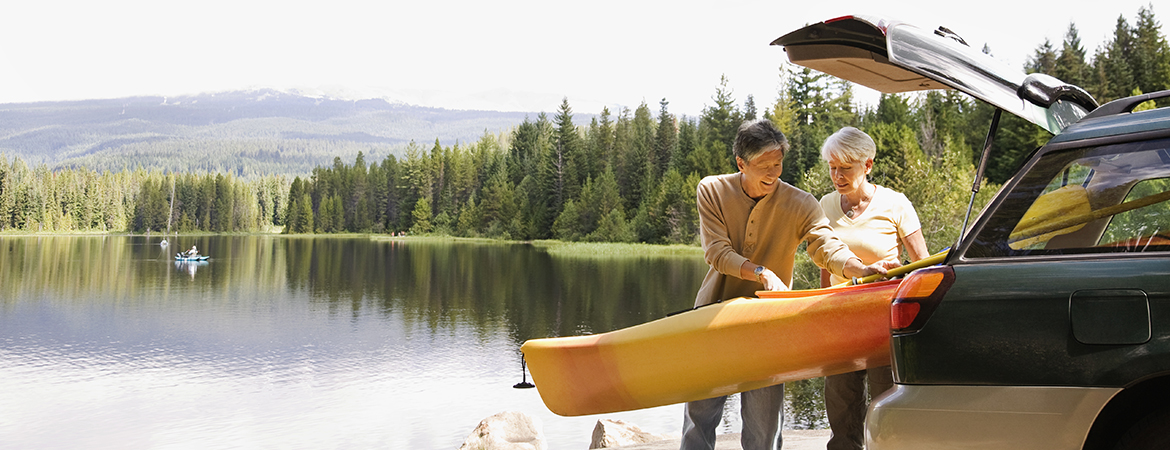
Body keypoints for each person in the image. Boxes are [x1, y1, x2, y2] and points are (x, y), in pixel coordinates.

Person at [683, 119, 898, 450]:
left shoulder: (800, 203)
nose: (773, 172)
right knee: (700, 420)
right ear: (741, 163)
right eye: (763, 165)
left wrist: (860, 267)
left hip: (771, 325)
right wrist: (761, 273)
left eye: (778, 163)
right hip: (713, 318)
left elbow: (828, 247)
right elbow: (717, 253)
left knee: (764, 430)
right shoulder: (712, 190)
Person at [817, 127, 929, 450]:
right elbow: (826, 268)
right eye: (832, 167)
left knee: (885, 410)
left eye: (845, 168)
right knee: (841, 410)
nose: (837, 175)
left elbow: (922, 263)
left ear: (867, 165)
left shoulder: (896, 204)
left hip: (884, 321)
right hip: (840, 320)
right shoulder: (825, 205)